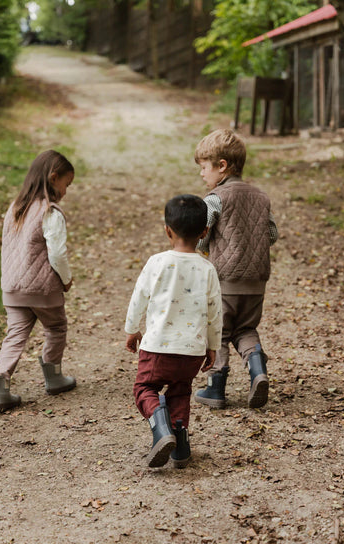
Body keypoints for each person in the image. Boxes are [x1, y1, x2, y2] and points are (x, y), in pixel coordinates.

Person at [125, 194, 222, 468]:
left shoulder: (157, 262)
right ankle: (180, 446)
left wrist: (132, 329)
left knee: (145, 387)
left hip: (158, 348)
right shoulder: (207, 269)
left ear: (167, 230)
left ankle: (160, 427)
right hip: (191, 352)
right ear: (204, 233)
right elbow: (215, 312)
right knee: (180, 392)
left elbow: (139, 297)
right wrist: (212, 346)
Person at [193, 128, 278, 410]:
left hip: (225, 281)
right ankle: (257, 370)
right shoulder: (261, 197)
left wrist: (203, 248)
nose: (202, 174)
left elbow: (202, 233)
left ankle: (215, 388)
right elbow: (272, 234)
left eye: (204, 167)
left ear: (222, 166)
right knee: (246, 328)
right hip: (256, 282)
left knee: (219, 331)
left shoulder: (215, 198)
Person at [0, 150, 76, 412]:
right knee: (56, 327)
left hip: (12, 287)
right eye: (66, 184)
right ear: (53, 177)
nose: (66, 190)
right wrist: (66, 279)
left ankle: (0, 387)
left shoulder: (15, 207)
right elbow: (57, 254)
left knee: (15, 334)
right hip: (42, 289)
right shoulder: (50, 212)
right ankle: (54, 377)